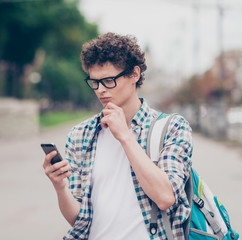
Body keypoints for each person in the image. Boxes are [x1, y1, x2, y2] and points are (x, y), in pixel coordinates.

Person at [43, 32, 193, 240]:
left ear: (134, 74)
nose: (101, 90)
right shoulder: (80, 135)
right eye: (94, 82)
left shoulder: (172, 127)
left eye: (109, 80)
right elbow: (79, 221)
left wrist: (125, 135)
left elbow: (166, 197)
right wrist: (60, 188)